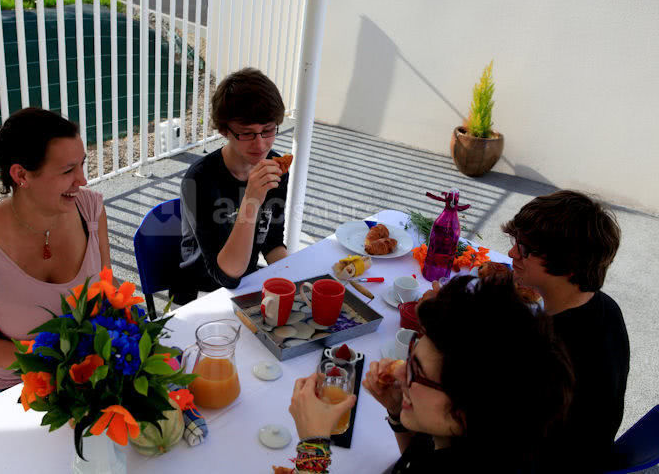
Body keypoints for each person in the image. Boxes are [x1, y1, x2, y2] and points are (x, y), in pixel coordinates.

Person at [286, 274, 573, 473]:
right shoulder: (482, 443)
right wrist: (398, 412)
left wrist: (313, 446)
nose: (400, 376)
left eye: (417, 372)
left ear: (471, 405)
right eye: (411, 355)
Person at [0, 108, 112, 406]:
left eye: (82, 165)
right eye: (68, 171)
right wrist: (63, 363)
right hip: (6, 385)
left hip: (85, 370)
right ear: (21, 175)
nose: (82, 180)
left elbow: (106, 293)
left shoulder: (90, 209)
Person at [502, 190, 629, 472]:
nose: (512, 253)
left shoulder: (548, 347)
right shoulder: (605, 307)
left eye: (524, 248)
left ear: (567, 264)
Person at [173, 68, 289, 303]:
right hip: (201, 293)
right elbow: (226, 276)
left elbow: (272, 241)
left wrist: (295, 277)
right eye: (247, 133)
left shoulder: (274, 167)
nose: (260, 144)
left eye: (268, 130)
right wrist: (252, 200)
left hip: (245, 284)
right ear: (225, 130)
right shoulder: (199, 180)